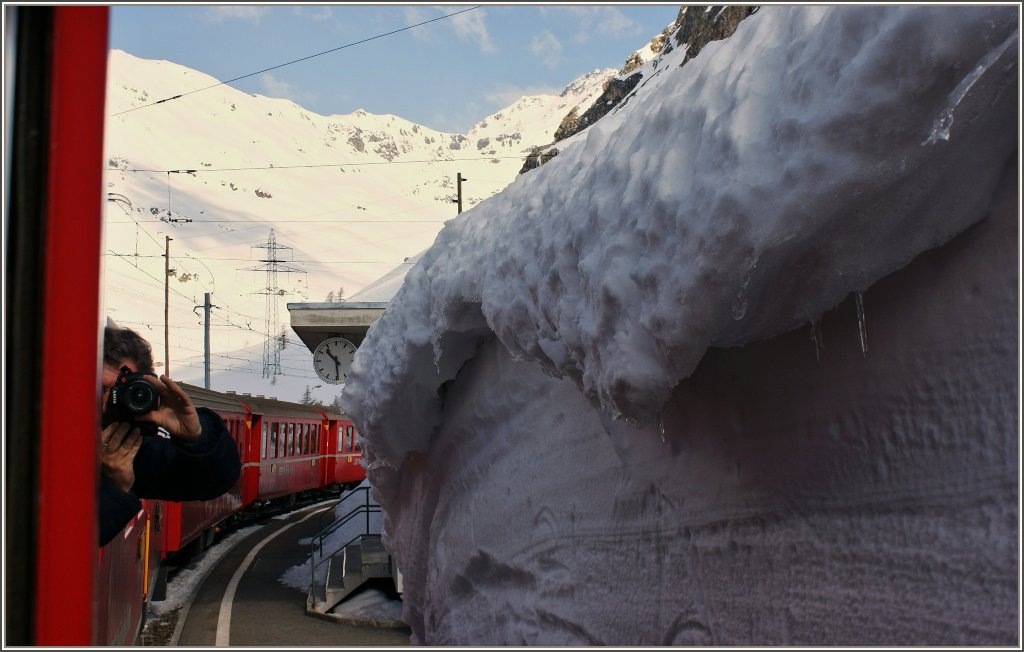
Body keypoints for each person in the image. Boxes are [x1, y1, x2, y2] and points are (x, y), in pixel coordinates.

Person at [99, 323, 241, 546]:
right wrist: (112, 488)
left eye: (122, 390)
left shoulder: (133, 449)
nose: (108, 403)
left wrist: (198, 438)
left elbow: (215, 480)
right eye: (99, 389)